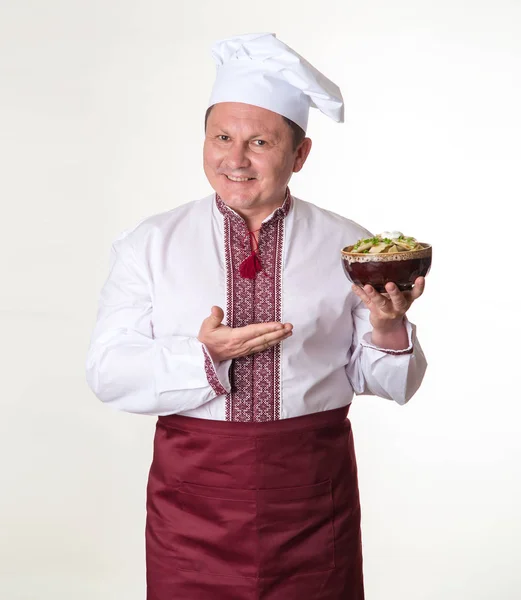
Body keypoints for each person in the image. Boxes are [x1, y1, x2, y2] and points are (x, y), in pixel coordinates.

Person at [86, 32, 428, 600]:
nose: (235, 160)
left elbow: (391, 385)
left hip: (313, 502)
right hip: (192, 504)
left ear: (300, 155)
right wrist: (205, 356)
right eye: (221, 137)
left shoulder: (350, 246)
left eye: (260, 142)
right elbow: (107, 372)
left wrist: (389, 327)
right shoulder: (149, 244)